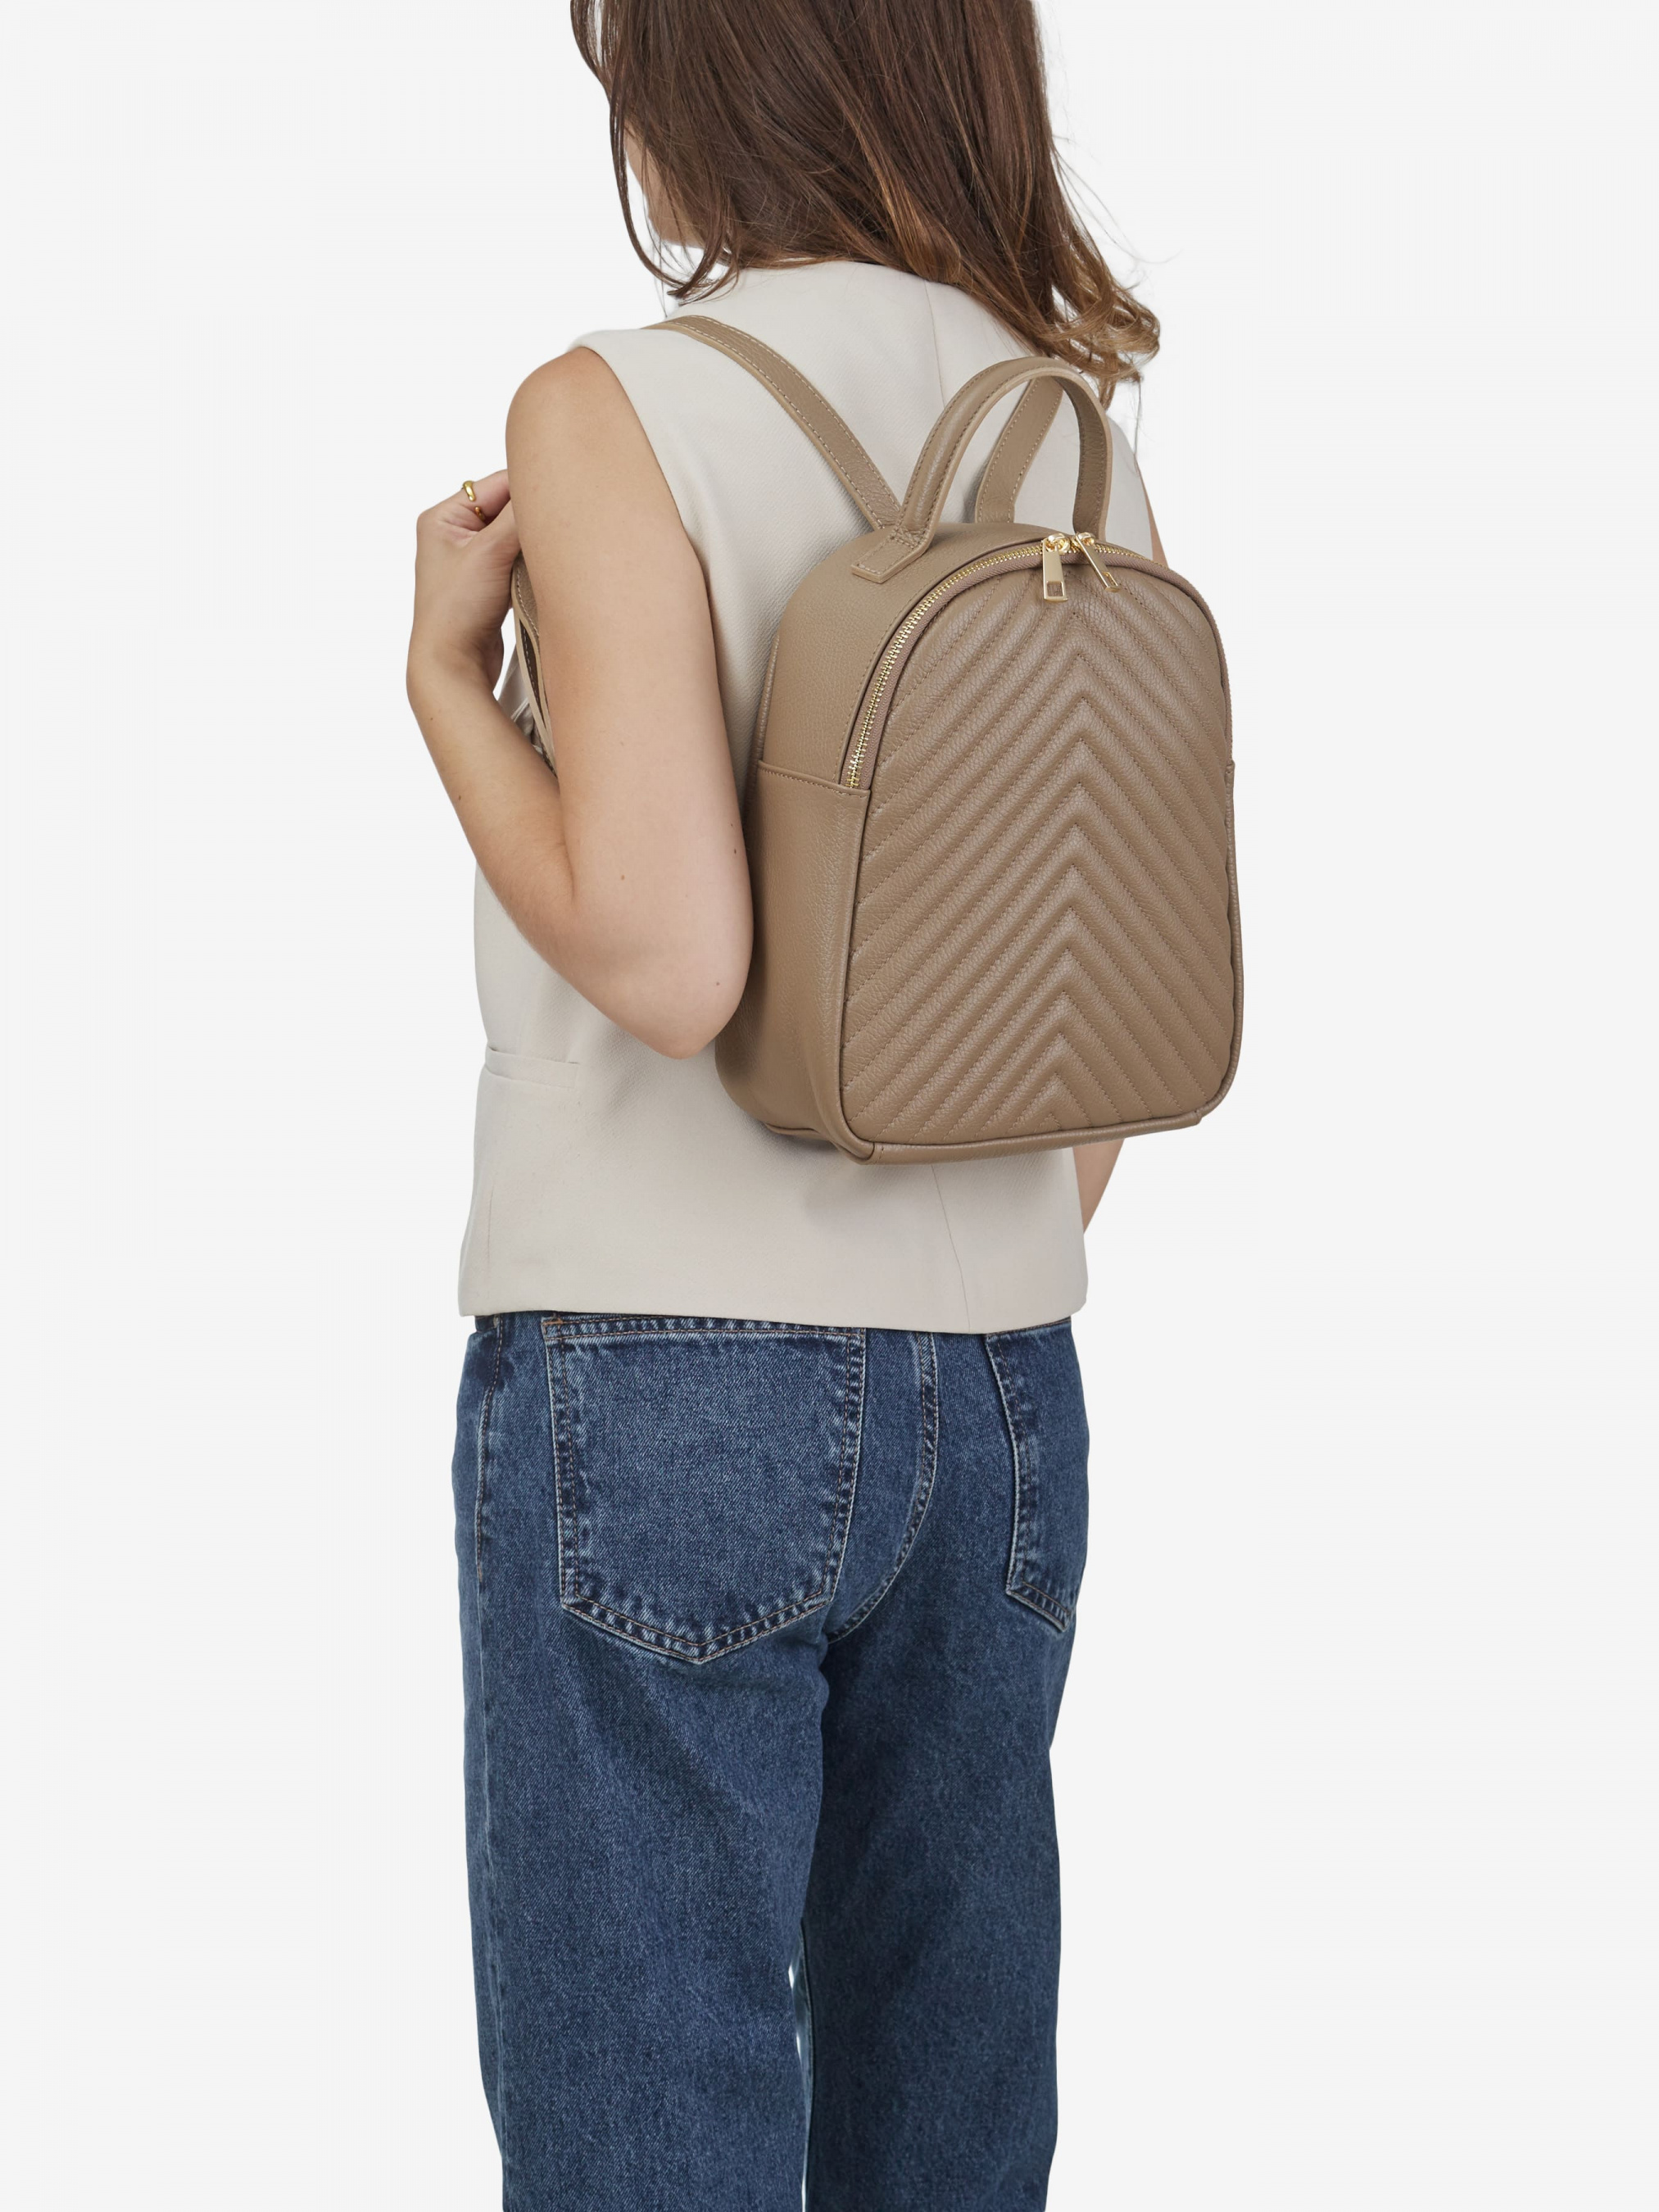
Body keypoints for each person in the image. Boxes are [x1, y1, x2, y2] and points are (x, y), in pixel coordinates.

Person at [405, 3, 1166, 2204]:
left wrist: (447, 687)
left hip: (665, 1380)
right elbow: (1097, 1002)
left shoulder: (615, 411)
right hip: (999, 1390)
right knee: (947, 2123)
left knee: (650, 2134)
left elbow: (670, 962)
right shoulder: (1069, 437)